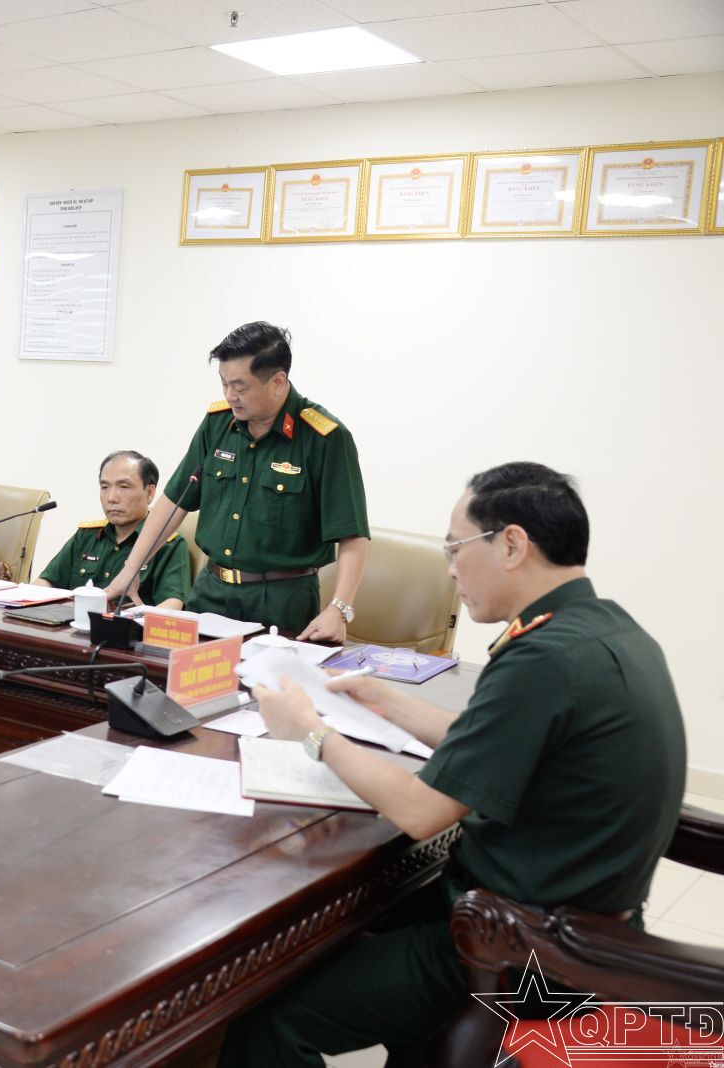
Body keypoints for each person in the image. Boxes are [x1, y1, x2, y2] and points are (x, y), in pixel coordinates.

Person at [217, 462, 687, 1068]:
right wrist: (385, 700)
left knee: (267, 1014)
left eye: (456, 548)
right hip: (588, 925)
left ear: (512, 545)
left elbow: (420, 812)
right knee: (340, 930)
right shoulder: (607, 631)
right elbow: (499, 740)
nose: (451, 569)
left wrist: (311, 733)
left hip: (523, 949)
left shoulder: (542, 659)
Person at [103, 323, 368, 640]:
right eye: (224, 384)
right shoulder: (218, 424)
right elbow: (175, 501)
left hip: (283, 599)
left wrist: (339, 609)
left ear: (277, 382)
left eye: (240, 387)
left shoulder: (324, 438)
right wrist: (131, 569)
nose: (230, 396)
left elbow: (352, 534)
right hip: (211, 591)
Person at [36, 450, 192, 609]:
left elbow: (173, 604)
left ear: (150, 493)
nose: (111, 498)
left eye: (124, 487)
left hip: (129, 623)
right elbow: (46, 581)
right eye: (104, 487)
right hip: (74, 622)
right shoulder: (87, 535)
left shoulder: (168, 544)